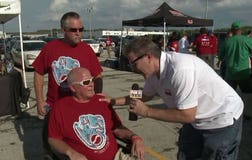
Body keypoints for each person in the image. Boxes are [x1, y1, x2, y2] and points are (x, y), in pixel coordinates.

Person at [101, 37, 244, 160]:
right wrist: (113, 101)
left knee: (215, 154)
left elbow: (187, 115)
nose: (132, 68)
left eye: (133, 63)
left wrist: (146, 112)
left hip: (221, 118)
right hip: (196, 121)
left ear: (148, 57)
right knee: (186, 154)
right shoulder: (152, 73)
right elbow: (144, 96)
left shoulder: (180, 69)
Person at [32, 11, 103, 159]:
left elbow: (98, 76)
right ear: (63, 30)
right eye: (74, 30)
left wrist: (95, 99)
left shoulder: (86, 50)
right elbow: (38, 73)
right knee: (50, 143)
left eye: (81, 29)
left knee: (77, 145)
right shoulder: (50, 48)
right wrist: (39, 101)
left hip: (79, 108)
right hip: (54, 106)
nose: (78, 33)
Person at [48, 67, 145, 160]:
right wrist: (71, 153)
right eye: (86, 82)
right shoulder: (60, 108)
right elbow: (53, 139)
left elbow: (117, 128)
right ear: (73, 88)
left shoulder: (101, 101)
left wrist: (135, 137)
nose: (91, 84)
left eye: (91, 80)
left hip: (116, 156)